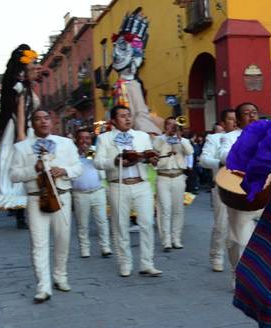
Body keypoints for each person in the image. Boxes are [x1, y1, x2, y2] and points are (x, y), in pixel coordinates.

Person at [9, 110, 82, 303]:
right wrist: (34, 169)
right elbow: (14, 175)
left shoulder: (66, 143)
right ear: (32, 124)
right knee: (38, 243)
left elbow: (78, 167)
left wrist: (64, 170)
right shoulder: (21, 148)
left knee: (62, 239)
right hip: (36, 198)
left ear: (52, 122)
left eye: (46, 118)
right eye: (38, 119)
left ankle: (60, 276)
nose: (43, 121)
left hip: (62, 197)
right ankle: (43, 286)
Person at [94, 105, 162, 278]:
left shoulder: (141, 136)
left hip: (141, 184)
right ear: (114, 121)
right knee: (120, 225)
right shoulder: (104, 139)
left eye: (129, 115)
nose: (127, 119)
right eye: (123, 116)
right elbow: (98, 162)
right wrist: (115, 161)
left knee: (147, 223)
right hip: (118, 184)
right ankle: (125, 262)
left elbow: (148, 156)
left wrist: (152, 159)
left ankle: (147, 263)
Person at [0, 44, 40, 229]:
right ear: (23, 70)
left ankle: (22, 212)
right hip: (20, 131)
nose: (35, 70)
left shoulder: (22, 87)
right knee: (23, 169)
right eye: (32, 67)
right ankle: (22, 213)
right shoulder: (20, 88)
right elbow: (20, 114)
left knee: (24, 170)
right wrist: (22, 138)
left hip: (23, 130)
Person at [218, 102, 263, 269]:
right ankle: (238, 274)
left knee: (263, 237)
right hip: (240, 191)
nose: (251, 115)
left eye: (254, 112)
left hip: (264, 191)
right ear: (237, 120)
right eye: (246, 113)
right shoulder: (230, 137)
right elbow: (223, 157)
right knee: (240, 238)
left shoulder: (268, 135)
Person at [106, 13, 161, 134]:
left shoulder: (132, 86)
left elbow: (140, 114)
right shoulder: (120, 86)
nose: (116, 55)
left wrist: (147, 133)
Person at [200, 109, 236, 272]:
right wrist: (220, 164)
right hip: (221, 186)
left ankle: (238, 258)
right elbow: (203, 160)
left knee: (240, 225)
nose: (234, 122)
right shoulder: (214, 138)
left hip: (241, 187)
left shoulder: (243, 136)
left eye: (236, 119)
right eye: (230, 119)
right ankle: (216, 255)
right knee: (221, 224)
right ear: (222, 123)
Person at [152, 117, 193, 252]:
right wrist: (167, 139)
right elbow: (156, 150)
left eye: (174, 125)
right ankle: (166, 240)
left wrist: (179, 139)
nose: (172, 127)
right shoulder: (158, 139)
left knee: (178, 209)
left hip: (178, 176)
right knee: (164, 209)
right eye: (169, 125)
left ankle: (176, 238)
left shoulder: (183, 140)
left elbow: (190, 152)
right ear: (165, 127)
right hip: (163, 177)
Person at [71, 129, 112, 259]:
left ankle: (105, 247)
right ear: (76, 140)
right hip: (80, 194)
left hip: (97, 191)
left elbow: (97, 162)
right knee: (82, 224)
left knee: (102, 221)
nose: (84, 141)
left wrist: (89, 152)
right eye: (81, 138)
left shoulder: (93, 151)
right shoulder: (71, 154)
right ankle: (84, 249)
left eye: (87, 138)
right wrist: (79, 153)